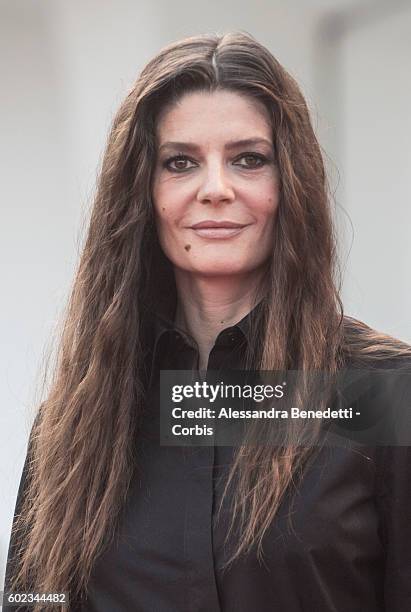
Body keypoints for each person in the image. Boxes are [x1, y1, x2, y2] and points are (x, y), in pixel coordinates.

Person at [4, 31, 411, 612]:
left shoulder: (387, 395)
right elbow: (29, 601)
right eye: (180, 162)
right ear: (142, 193)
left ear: (290, 184)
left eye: (249, 159)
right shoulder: (76, 417)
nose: (216, 189)